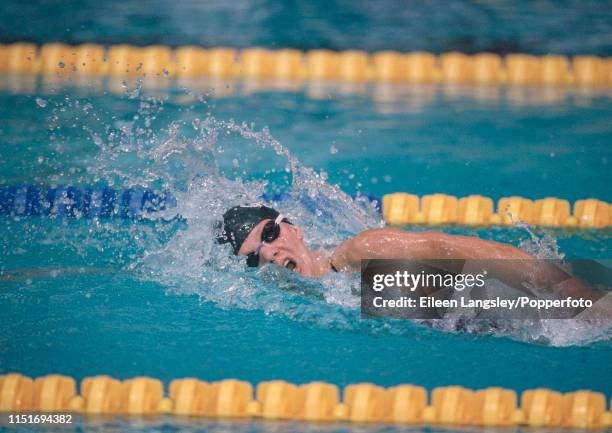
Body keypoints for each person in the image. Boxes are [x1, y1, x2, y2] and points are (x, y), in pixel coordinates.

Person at [217, 204, 609, 311]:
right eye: (255, 257)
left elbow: (477, 253)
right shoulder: (319, 296)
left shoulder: (362, 253)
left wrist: (573, 293)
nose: (271, 251)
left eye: (270, 233)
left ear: (294, 229)